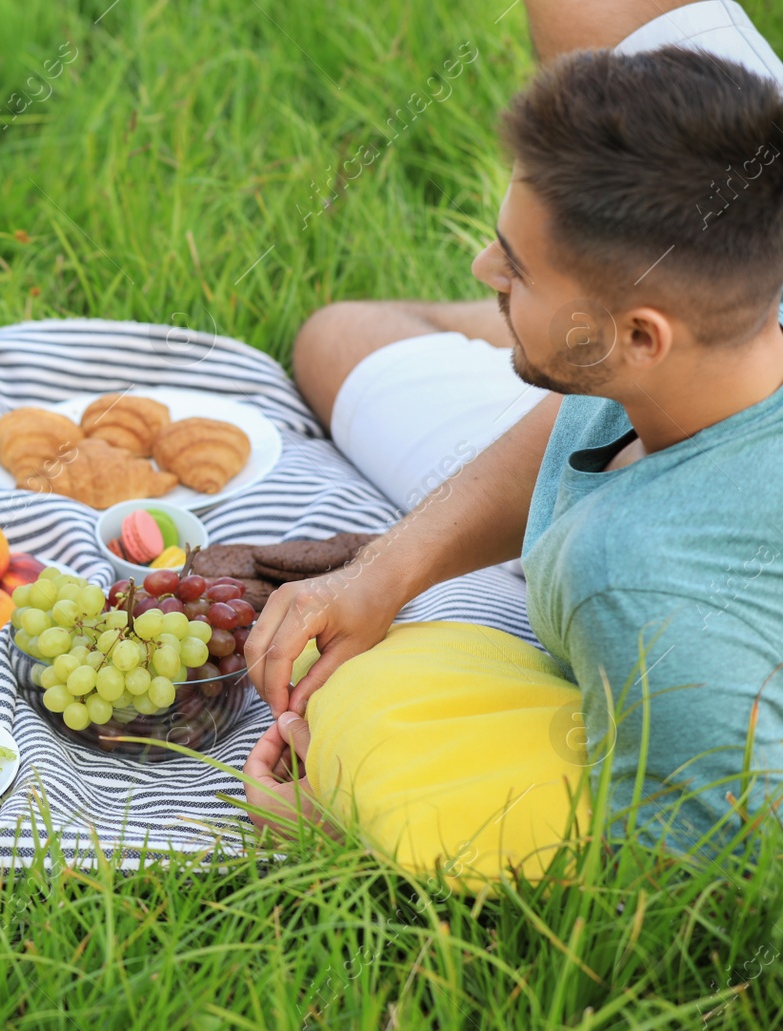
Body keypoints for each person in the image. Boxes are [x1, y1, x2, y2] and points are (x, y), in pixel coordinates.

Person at [242, 8, 783, 880]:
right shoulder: (753, 275)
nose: (481, 269)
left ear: (643, 340)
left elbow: (705, 889)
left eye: (516, 269)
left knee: (344, 335)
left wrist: (348, 830)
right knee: (338, 331)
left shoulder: (637, 584)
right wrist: (386, 567)